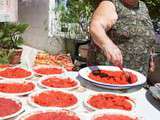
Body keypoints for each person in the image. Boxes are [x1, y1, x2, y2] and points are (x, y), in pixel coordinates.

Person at [88, 0, 156, 76]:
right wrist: (108, 45)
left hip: (137, 79)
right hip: (109, 78)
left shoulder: (143, 7)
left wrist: (150, 56)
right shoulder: (111, 4)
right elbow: (96, 26)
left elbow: (145, 35)